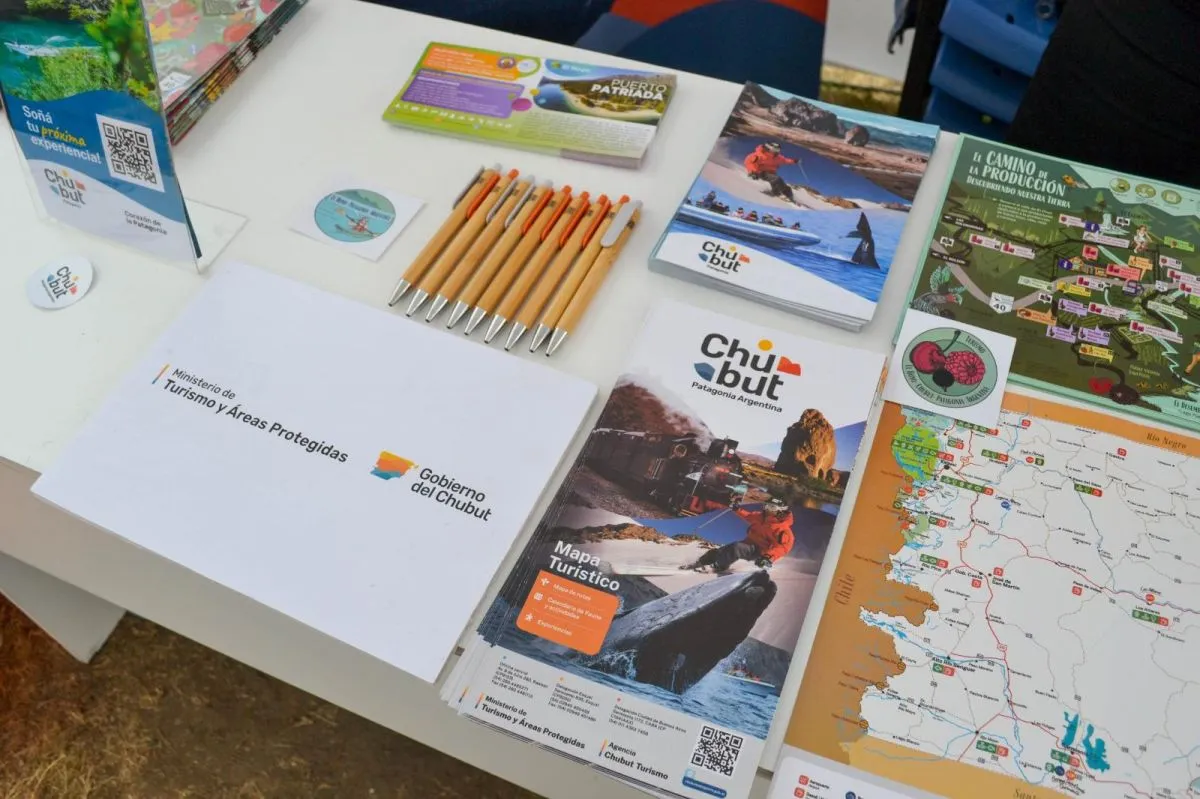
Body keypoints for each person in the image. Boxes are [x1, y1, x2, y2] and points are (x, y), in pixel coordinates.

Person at [681, 497, 795, 573]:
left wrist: (768, 557)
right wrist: (737, 509)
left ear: (781, 510)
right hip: (748, 544)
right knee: (722, 550)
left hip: (760, 551)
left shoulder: (782, 529)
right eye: (767, 506)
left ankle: (718, 567)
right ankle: (701, 562)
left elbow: (783, 548)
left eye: (772, 508)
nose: (768, 509)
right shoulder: (761, 517)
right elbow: (748, 516)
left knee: (736, 548)